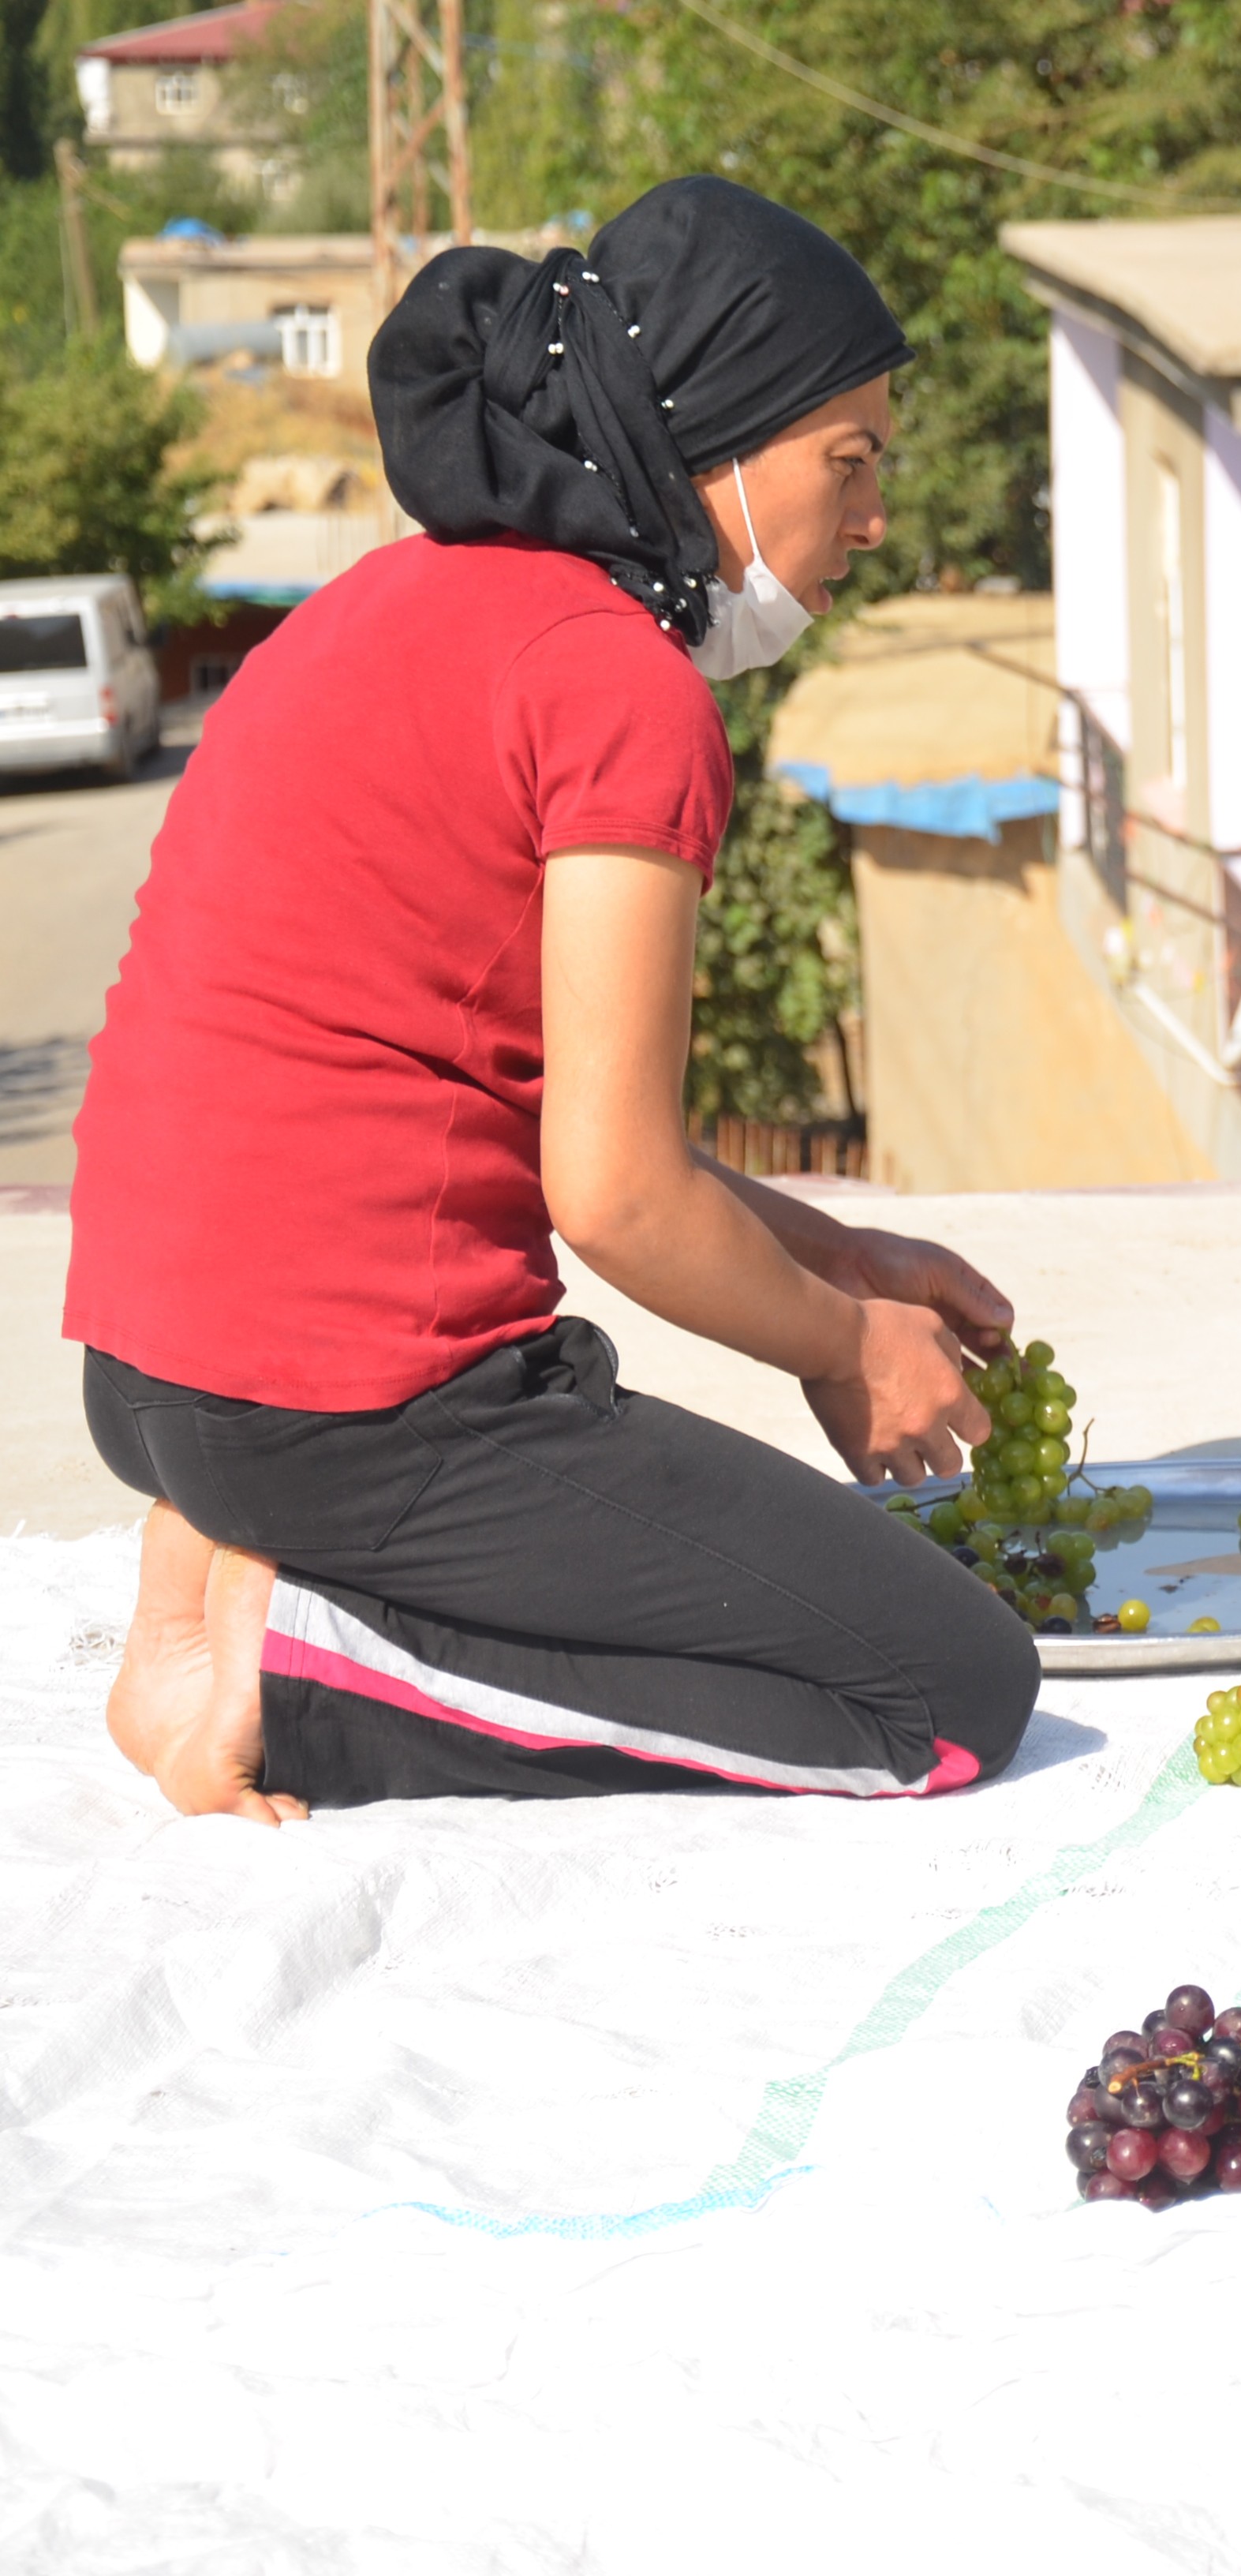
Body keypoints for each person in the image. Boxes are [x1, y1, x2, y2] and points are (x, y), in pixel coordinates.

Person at [65, 178, 1039, 1822]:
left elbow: (529, 1108)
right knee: (946, 1692)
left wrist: (838, 1259)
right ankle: (282, 1676)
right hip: (350, 1410)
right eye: (849, 462)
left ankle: (234, 1559)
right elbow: (615, 1193)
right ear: (711, 447)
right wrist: (851, 1347)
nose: (874, 520)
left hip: (154, 1379)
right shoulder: (622, 689)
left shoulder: (378, 603)